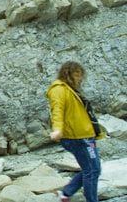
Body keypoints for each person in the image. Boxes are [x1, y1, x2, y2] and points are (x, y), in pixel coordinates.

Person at [48, 61, 102, 202]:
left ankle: (66, 193)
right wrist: (57, 129)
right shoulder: (58, 89)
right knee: (92, 170)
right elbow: (57, 110)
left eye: (80, 75)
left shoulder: (70, 90)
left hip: (85, 135)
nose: (80, 78)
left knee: (91, 169)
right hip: (77, 137)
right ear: (68, 74)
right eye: (77, 74)